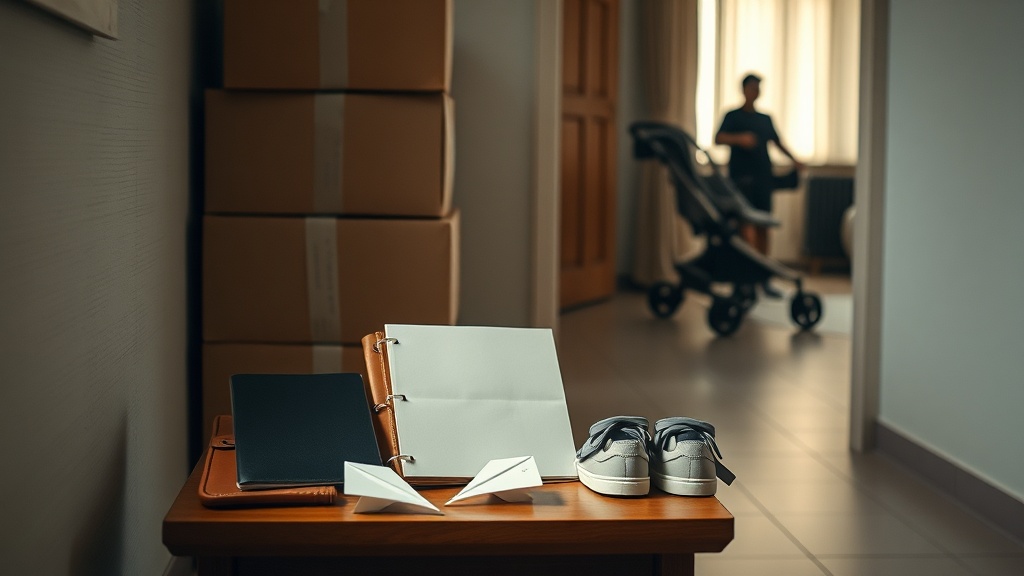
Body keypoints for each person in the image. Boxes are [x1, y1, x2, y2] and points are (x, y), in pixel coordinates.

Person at [715, 73, 804, 298]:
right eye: (752, 87)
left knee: (764, 225)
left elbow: (777, 142)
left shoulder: (765, 119)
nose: (755, 92)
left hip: (764, 178)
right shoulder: (732, 116)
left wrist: (794, 160)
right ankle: (745, 278)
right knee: (745, 227)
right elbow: (718, 138)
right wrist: (740, 139)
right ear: (744, 90)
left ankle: (763, 278)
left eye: (758, 88)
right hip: (740, 181)